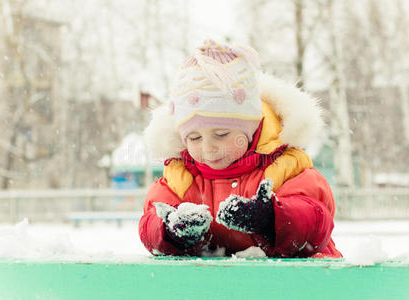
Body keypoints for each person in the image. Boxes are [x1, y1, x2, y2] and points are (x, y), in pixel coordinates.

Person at [139, 39, 342, 258]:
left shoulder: (285, 164)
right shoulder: (181, 176)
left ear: (251, 127)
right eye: (195, 137)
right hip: (226, 287)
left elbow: (316, 220)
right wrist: (171, 231)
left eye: (221, 135)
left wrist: (273, 219)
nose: (208, 148)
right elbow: (151, 219)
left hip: (300, 284)